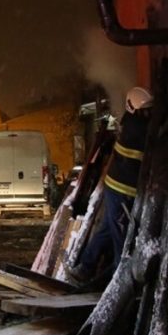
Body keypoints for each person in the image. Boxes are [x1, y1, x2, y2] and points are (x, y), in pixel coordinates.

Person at [70, 86, 154, 282]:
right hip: (124, 191)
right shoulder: (139, 130)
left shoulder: (131, 123)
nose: (149, 113)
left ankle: (84, 268)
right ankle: (117, 281)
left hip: (115, 189)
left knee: (108, 229)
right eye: (146, 110)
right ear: (135, 109)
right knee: (121, 239)